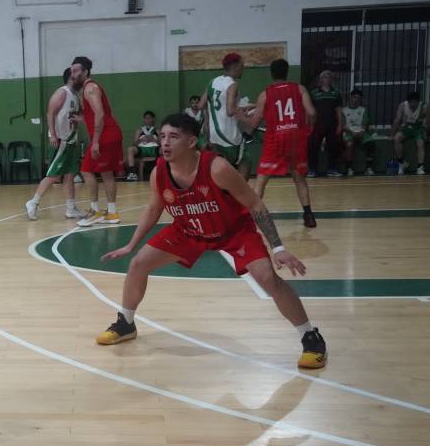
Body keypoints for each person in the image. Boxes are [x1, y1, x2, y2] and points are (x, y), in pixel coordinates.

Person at [95, 113, 327, 370]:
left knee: (268, 278)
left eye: (173, 137)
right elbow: (153, 209)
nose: (165, 143)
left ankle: (310, 336)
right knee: (138, 263)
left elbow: (255, 203)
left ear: (192, 141)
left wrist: (278, 248)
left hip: (234, 232)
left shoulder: (216, 168)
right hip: (189, 231)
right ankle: (126, 323)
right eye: (162, 137)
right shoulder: (159, 171)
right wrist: (131, 245)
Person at [241, 59, 318, 228]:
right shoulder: (299, 88)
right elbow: (311, 111)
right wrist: (308, 127)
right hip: (296, 138)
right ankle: (308, 215)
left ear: (271, 73)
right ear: (287, 72)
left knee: (261, 180)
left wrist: (240, 116)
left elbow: (255, 122)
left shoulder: (265, 94)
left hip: (276, 139)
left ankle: (250, 217)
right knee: (299, 178)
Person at [25, 67, 85, 220]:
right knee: (54, 176)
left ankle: (71, 208)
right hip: (61, 140)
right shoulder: (62, 92)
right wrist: (53, 134)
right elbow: (50, 113)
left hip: (72, 140)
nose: (82, 77)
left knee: (70, 175)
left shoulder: (76, 96)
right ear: (71, 77)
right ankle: (33, 202)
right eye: (78, 75)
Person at [72, 56, 124, 227]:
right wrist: (81, 118)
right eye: (72, 71)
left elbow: (100, 114)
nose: (73, 74)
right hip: (110, 134)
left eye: (76, 71)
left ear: (85, 72)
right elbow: (96, 114)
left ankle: (95, 211)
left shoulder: (90, 88)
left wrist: (95, 142)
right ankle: (112, 213)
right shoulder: (89, 88)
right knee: (106, 173)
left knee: (86, 170)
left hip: (105, 137)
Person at [198, 53, 252, 179]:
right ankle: (240, 191)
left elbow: (201, 104)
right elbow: (230, 110)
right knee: (246, 161)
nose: (243, 68)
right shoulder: (232, 84)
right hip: (229, 134)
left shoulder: (213, 81)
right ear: (235, 65)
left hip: (215, 135)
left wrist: (208, 121)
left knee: (221, 168)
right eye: (242, 65)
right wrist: (251, 109)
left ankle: (223, 193)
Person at [308, 70, 344, 177]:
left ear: (331, 80)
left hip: (332, 124)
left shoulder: (336, 93)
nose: (327, 79)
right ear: (321, 79)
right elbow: (310, 110)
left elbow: (338, 110)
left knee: (333, 147)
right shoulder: (314, 93)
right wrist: (310, 124)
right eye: (324, 77)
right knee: (313, 147)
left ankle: (332, 169)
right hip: (318, 124)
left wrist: (340, 124)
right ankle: (312, 170)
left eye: (329, 77)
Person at [342, 89, 376, 176]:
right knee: (349, 144)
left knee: (371, 143)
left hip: (361, 132)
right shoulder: (343, 110)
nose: (356, 100)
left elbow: (365, 124)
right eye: (354, 97)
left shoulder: (363, 110)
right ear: (351, 97)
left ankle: (369, 168)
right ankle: (349, 168)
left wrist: (362, 131)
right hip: (349, 132)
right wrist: (351, 131)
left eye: (359, 98)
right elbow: (343, 126)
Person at [391, 91, 427, 175]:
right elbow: (397, 120)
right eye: (412, 102)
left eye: (415, 102)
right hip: (406, 127)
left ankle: (420, 167)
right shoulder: (403, 105)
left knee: (420, 143)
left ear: (418, 102)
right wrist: (392, 134)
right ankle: (401, 164)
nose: (413, 104)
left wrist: (426, 133)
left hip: (418, 128)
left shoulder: (424, 106)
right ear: (408, 101)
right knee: (396, 138)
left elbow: (426, 122)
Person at [125, 110, 159, 181]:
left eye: (149, 118)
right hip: (142, 149)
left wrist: (153, 139)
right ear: (143, 119)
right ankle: (132, 173)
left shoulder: (157, 130)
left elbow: (162, 143)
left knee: (166, 150)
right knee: (130, 149)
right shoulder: (139, 130)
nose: (147, 120)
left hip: (154, 149)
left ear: (153, 119)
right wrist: (141, 139)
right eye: (146, 118)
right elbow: (134, 144)